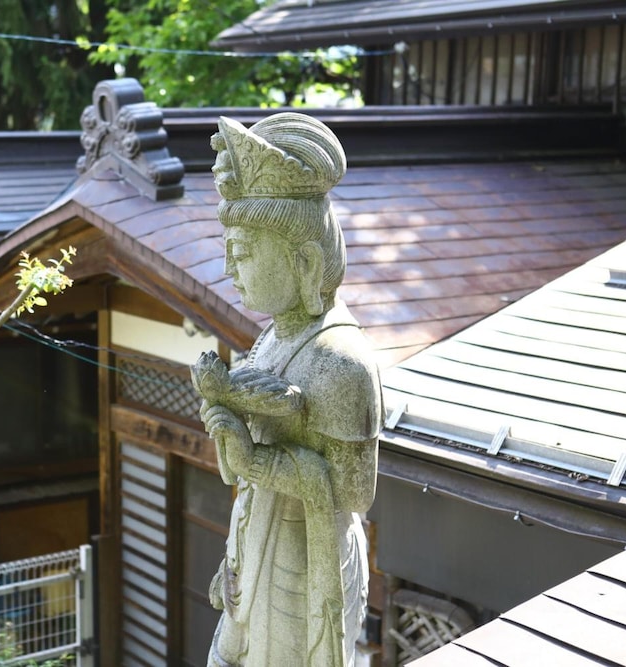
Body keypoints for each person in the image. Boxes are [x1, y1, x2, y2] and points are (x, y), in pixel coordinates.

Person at [191, 113, 382, 667]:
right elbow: (247, 465)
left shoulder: (342, 363)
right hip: (253, 545)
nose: (229, 268)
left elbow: (351, 493)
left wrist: (255, 461)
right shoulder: (271, 337)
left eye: (244, 252)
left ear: (304, 261)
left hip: (301, 563)